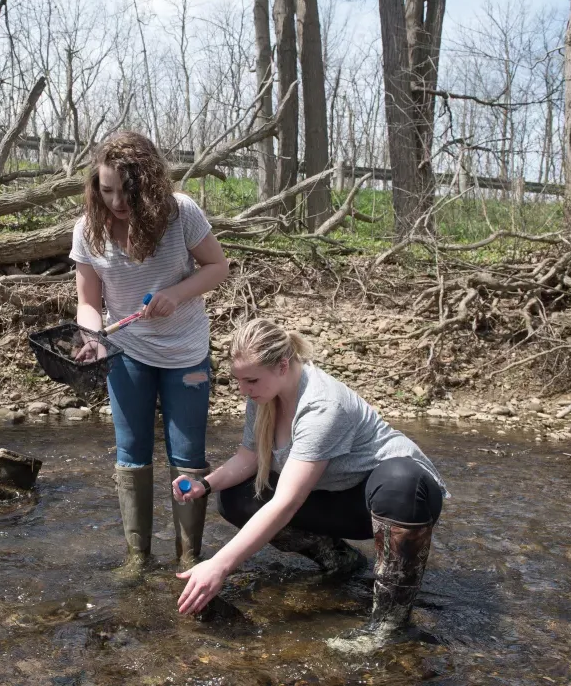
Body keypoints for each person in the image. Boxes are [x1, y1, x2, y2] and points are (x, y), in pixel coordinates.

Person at [173, 318, 447, 650]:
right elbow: (249, 458)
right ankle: (339, 560)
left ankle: (390, 624)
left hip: (397, 501)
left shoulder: (321, 405)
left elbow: (287, 502)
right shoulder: (264, 395)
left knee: (401, 480)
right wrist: (205, 484)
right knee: (237, 497)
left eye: (251, 380)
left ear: (283, 365)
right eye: (239, 380)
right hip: (335, 497)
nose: (243, 390)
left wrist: (220, 564)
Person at [70, 131, 229, 573]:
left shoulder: (181, 215)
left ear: (151, 185)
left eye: (127, 190)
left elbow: (217, 268)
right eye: (106, 190)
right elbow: (88, 303)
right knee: (132, 451)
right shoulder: (88, 230)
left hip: (185, 353)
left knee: (187, 455)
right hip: (127, 352)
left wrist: (177, 294)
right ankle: (137, 558)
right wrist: (94, 340)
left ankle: (190, 557)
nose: (116, 201)